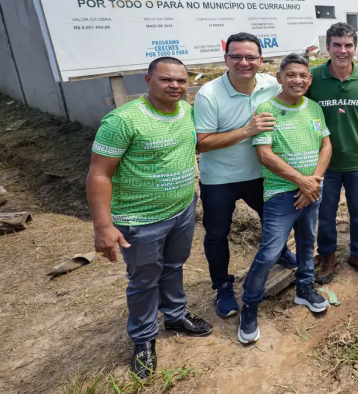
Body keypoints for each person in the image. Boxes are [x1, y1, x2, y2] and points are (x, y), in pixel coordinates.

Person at [87, 57, 211, 379]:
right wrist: (103, 226)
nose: (175, 86)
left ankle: (175, 315)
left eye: (181, 81)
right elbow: (99, 174)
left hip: (182, 209)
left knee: (173, 267)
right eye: (166, 79)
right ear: (148, 80)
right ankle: (143, 340)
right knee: (143, 280)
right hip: (140, 219)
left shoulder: (187, 111)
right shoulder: (122, 121)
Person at [194, 32, 295, 319]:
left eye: (250, 57)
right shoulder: (209, 94)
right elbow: (201, 142)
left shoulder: (271, 85)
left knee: (275, 218)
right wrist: (247, 131)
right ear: (225, 59)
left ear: (261, 60)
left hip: (261, 174)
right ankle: (223, 287)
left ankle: (281, 253)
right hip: (219, 180)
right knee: (216, 234)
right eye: (236, 56)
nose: (243, 62)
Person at [238, 54, 333, 344]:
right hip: (281, 193)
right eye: (291, 75)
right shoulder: (267, 109)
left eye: (303, 75)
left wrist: (313, 181)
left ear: (309, 79)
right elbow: (264, 155)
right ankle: (249, 307)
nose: (298, 80)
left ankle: (305, 289)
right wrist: (301, 182)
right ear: (279, 77)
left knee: (307, 243)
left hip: (312, 190)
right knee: (269, 252)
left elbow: (326, 146)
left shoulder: (314, 108)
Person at [307, 22, 358, 284]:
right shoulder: (312, 78)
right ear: (327, 47)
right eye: (337, 45)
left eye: (348, 45)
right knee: (325, 214)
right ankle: (327, 255)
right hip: (323, 163)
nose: (343, 50)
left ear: (355, 47)